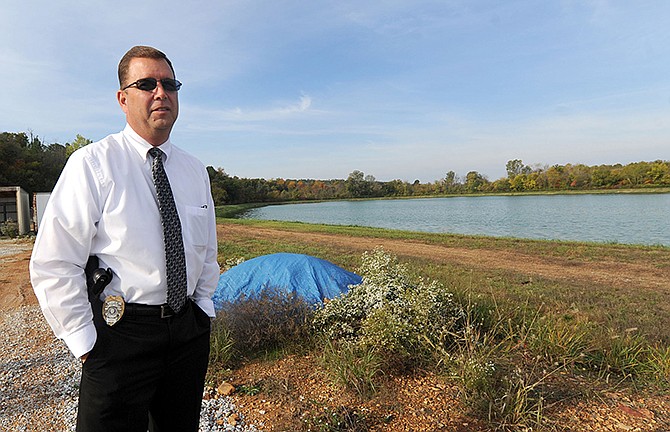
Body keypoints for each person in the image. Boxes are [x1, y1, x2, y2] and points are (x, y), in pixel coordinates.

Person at [29, 45, 220, 432]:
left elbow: (208, 251)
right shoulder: (93, 164)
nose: (160, 93)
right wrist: (86, 343)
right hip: (120, 336)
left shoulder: (194, 170)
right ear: (123, 98)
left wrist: (202, 309)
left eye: (169, 84)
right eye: (146, 83)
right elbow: (55, 261)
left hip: (186, 334)